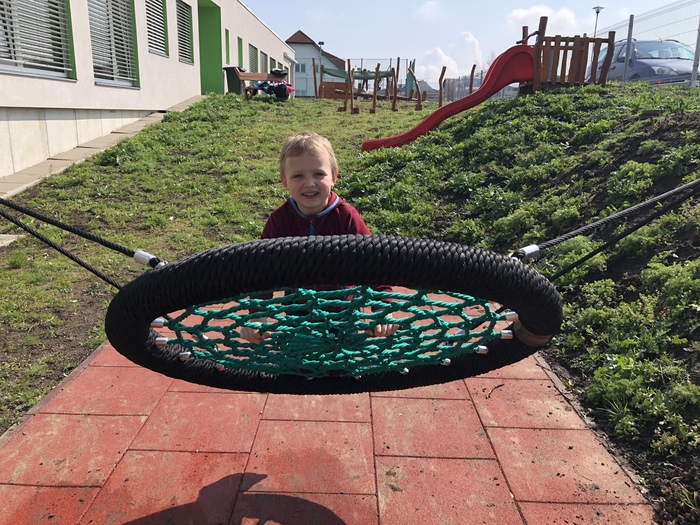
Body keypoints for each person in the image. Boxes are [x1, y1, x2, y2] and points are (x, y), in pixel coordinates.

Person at [240, 131, 398, 343]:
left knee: (342, 360)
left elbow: (373, 264)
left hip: (343, 312)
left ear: (334, 177)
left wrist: (383, 309)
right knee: (297, 359)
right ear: (284, 181)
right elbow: (263, 272)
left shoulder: (346, 218)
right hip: (297, 311)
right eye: (298, 176)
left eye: (318, 174)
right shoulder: (280, 221)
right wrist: (258, 316)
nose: (310, 183)